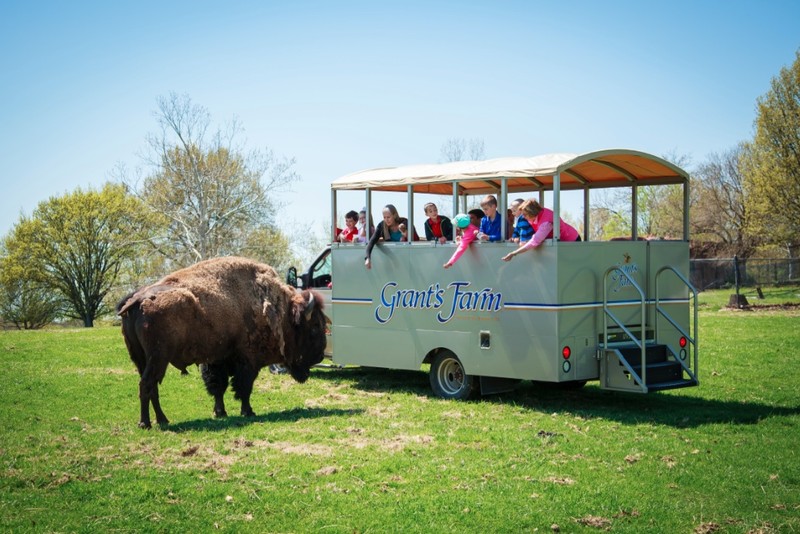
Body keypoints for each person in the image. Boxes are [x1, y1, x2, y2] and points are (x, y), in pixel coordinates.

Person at [501, 199, 581, 261]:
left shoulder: (546, 223)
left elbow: (534, 241)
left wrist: (514, 253)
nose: (523, 218)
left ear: (531, 212)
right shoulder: (533, 216)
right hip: (561, 244)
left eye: (525, 215)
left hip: (571, 242)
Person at [364, 204, 419, 269]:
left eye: (388, 217)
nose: (386, 220)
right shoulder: (382, 226)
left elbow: (416, 240)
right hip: (392, 260)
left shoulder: (405, 222)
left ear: (394, 215)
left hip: (409, 258)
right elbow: (372, 241)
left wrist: (405, 233)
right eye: (384, 217)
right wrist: (368, 258)